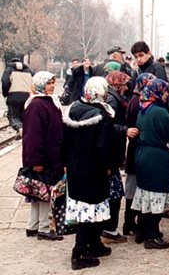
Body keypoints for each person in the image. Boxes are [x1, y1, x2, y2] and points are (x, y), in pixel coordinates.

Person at [61, 77, 116, 270]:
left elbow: (63, 141)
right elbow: (104, 146)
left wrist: (65, 162)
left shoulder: (73, 110)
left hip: (76, 168)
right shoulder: (102, 117)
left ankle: (94, 244)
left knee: (85, 208)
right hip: (94, 170)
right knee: (90, 210)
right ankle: (79, 253)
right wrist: (109, 165)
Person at [132, 78, 169, 249]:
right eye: (164, 92)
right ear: (157, 92)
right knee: (157, 196)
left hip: (142, 155)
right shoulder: (159, 112)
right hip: (157, 159)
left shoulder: (143, 109)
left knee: (146, 196)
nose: (167, 95)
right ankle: (152, 236)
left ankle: (142, 231)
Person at [22, 71, 64, 241]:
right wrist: (36, 160)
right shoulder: (37, 105)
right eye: (49, 83)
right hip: (44, 157)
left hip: (49, 155)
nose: (52, 86)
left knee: (37, 193)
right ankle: (44, 228)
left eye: (53, 83)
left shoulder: (44, 103)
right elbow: (33, 136)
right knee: (44, 192)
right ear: (40, 85)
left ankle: (32, 226)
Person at [102, 70, 138, 243]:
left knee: (114, 194)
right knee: (114, 195)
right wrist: (125, 130)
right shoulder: (111, 99)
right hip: (110, 154)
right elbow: (107, 126)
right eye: (123, 84)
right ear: (116, 83)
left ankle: (109, 229)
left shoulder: (113, 96)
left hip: (113, 154)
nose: (126, 87)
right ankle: (109, 230)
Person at [123, 73, 156, 237]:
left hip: (134, 149)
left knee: (132, 188)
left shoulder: (134, 99)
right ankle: (129, 222)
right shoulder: (140, 102)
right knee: (134, 188)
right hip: (139, 149)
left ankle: (129, 222)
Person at [2, 57, 34, 132]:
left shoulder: (9, 70)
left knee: (13, 116)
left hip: (13, 97)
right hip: (28, 97)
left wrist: (5, 94)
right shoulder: (29, 70)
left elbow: (5, 82)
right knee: (24, 116)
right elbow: (35, 81)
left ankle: (20, 129)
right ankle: (24, 130)